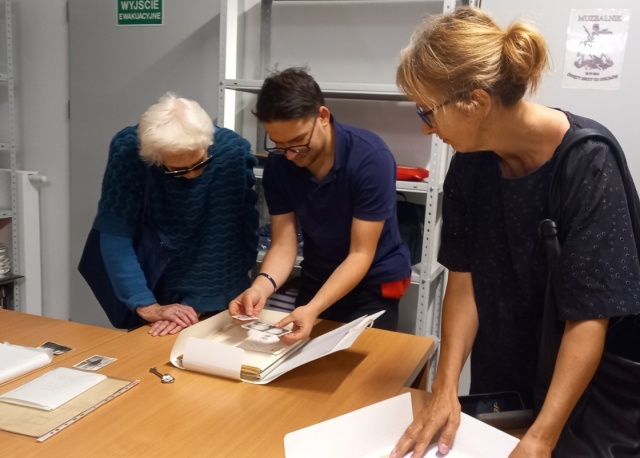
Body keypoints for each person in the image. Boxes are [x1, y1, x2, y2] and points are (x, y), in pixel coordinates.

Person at [390, 7, 640, 458]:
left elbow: (590, 318)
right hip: (506, 377)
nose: (425, 128)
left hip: (584, 393)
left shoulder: (587, 162)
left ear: (477, 102)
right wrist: (444, 388)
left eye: (428, 111)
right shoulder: (469, 166)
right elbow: (463, 282)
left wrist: (541, 438)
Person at [228, 67, 412, 343]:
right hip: (318, 277)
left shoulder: (370, 158)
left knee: (363, 363)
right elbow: (283, 245)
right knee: (300, 355)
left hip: (371, 283)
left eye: (298, 142)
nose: (290, 155)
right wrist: (260, 288)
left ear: (323, 116)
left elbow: (360, 254)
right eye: (279, 144)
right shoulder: (280, 164)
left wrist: (313, 308)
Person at [90, 92, 259, 336]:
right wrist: (146, 304)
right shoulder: (129, 150)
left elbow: (227, 240)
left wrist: (196, 305)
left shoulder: (230, 153)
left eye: (200, 163)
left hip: (216, 289)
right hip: (152, 280)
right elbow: (115, 231)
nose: (192, 175)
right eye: (178, 170)